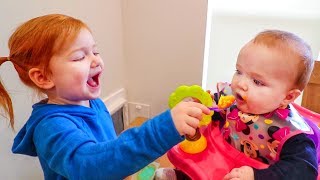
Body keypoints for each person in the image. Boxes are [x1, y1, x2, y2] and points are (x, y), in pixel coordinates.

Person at [0, 14, 210, 180]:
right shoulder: (51, 127)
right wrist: (163, 129)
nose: (95, 61)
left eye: (95, 51)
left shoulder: (93, 103)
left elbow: (108, 148)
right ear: (43, 77)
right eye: (80, 57)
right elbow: (92, 167)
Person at [155, 30, 318, 180]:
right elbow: (217, 111)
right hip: (220, 157)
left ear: (288, 96)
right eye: (239, 71)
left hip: (258, 171)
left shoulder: (295, 137)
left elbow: (304, 171)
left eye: (257, 81)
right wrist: (201, 109)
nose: (240, 83)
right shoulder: (232, 97)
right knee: (195, 167)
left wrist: (257, 176)